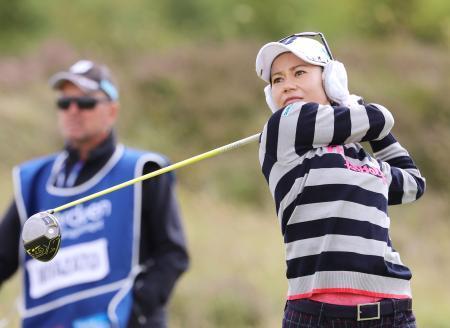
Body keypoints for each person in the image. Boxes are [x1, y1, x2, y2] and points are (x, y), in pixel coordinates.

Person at [0, 59, 189, 328]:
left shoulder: (141, 170)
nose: (73, 110)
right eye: (65, 103)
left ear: (112, 111)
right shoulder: (33, 181)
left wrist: (132, 313)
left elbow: (172, 255)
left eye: (86, 103)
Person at [255, 32, 426, 327]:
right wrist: (350, 104)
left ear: (331, 79)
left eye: (299, 72)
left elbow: (413, 183)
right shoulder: (282, 128)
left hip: (392, 310)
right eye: (277, 80)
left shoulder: (365, 161)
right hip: (315, 313)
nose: (287, 85)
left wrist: (345, 102)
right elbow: (380, 117)